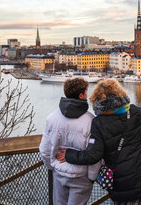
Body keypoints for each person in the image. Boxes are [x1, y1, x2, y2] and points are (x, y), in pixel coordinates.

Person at [56, 78, 141, 204]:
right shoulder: (133, 112)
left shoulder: (98, 122)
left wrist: (69, 154)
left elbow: (92, 155)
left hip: (117, 180)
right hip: (140, 176)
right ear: (120, 94)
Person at [39, 77, 101, 205]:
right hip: (81, 176)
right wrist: (91, 177)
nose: (87, 95)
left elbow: (44, 149)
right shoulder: (91, 121)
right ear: (81, 95)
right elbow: (94, 154)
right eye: (86, 92)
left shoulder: (52, 117)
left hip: (59, 173)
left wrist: (53, 166)